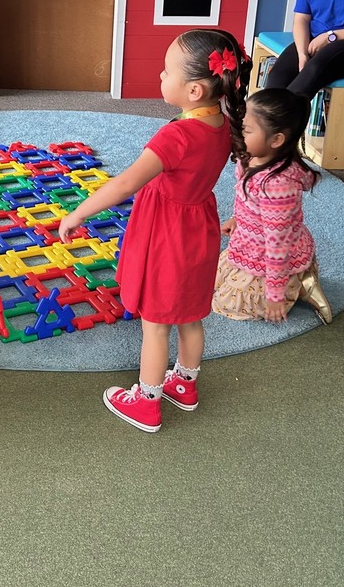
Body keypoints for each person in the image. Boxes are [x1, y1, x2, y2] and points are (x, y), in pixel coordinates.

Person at [57, 29, 248, 433]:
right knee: (191, 315)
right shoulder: (221, 122)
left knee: (156, 322)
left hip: (168, 236)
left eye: (166, 71)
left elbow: (126, 183)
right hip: (199, 229)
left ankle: (146, 401)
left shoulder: (177, 135)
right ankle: (185, 384)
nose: (160, 77)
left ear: (194, 90)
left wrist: (77, 214)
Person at [211, 88, 332, 325]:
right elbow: (243, 196)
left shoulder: (278, 186)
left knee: (226, 304)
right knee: (208, 282)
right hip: (250, 243)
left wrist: (275, 296)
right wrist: (238, 219)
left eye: (245, 130)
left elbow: (278, 245)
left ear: (276, 140)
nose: (236, 134)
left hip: (273, 259)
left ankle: (302, 284)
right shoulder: (250, 157)